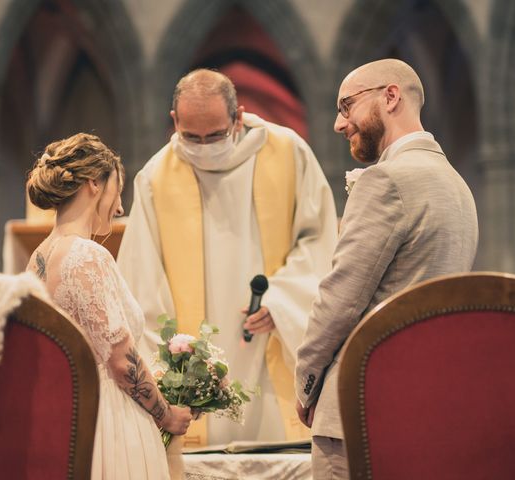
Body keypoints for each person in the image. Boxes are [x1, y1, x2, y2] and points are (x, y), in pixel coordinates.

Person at [117, 69, 338, 446]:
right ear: (174, 122)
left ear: (238, 117)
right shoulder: (155, 177)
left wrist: (282, 302)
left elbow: (319, 239)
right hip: (195, 354)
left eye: (215, 135)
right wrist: (172, 357)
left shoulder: (288, 152)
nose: (203, 146)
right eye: (191, 137)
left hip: (271, 337)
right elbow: (142, 277)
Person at [294, 58, 479, 479]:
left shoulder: (386, 181)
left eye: (346, 107)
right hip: (427, 404)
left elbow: (340, 299)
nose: (340, 124)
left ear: (390, 96)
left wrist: (305, 381)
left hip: (362, 405)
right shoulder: (457, 185)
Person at [25, 133, 192, 480]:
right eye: (118, 190)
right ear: (94, 184)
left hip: (63, 416)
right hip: (107, 423)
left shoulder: (37, 257)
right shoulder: (87, 255)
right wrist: (168, 416)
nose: (119, 207)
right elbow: (120, 360)